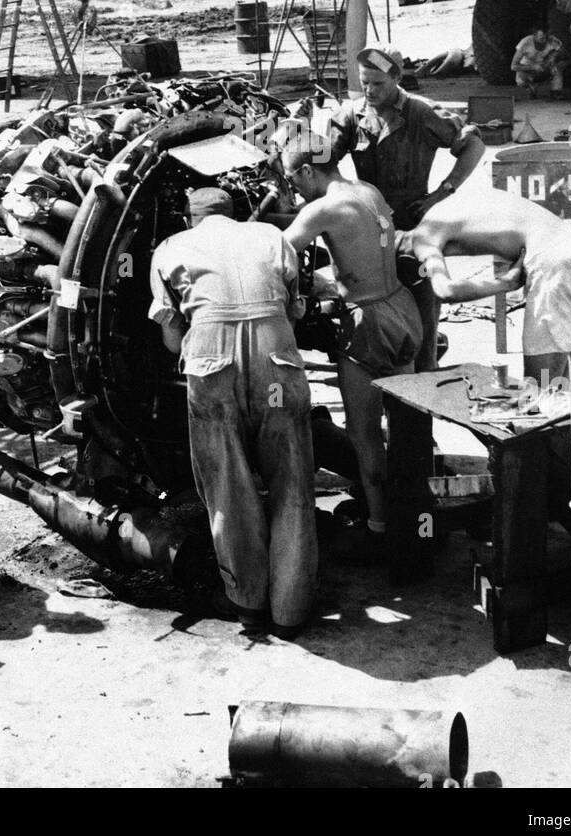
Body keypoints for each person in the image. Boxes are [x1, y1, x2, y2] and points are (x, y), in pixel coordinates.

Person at [148, 187, 317, 637]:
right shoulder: (270, 236)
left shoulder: (170, 248)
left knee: (228, 485)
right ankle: (291, 609)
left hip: (210, 362)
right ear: (235, 214)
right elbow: (293, 308)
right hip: (276, 359)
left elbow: (170, 339)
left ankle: (248, 604)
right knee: (292, 479)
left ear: (189, 217)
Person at [281, 130, 422, 555]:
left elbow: (277, 255)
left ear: (308, 170)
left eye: (293, 180)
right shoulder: (368, 191)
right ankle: (414, 514)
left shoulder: (322, 210)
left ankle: (379, 529)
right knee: (404, 422)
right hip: (401, 306)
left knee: (363, 433)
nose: (293, 189)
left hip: (367, 323)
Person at [326, 44, 484, 369]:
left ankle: (426, 372)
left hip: (414, 229)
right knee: (373, 312)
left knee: (424, 303)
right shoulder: (350, 116)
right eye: (364, 82)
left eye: (378, 84)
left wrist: (442, 193)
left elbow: (473, 146)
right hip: (369, 232)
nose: (369, 90)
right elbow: (321, 162)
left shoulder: (422, 113)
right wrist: (343, 196)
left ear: (396, 79)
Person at [396, 186, 571, 385]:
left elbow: (445, 290)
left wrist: (504, 283)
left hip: (556, 266)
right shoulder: (442, 210)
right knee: (556, 388)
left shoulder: (422, 238)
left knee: (539, 394)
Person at [510, 26, 570, 99]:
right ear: (534, 35)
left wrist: (554, 58)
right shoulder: (525, 42)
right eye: (541, 38)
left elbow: (567, 56)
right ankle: (530, 88)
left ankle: (556, 91)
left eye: (547, 37)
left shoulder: (552, 40)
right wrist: (533, 67)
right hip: (529, 70)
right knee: (520, 78)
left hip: (545, 67)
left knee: (559, 66)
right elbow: (513, 66)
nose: (545, 41)